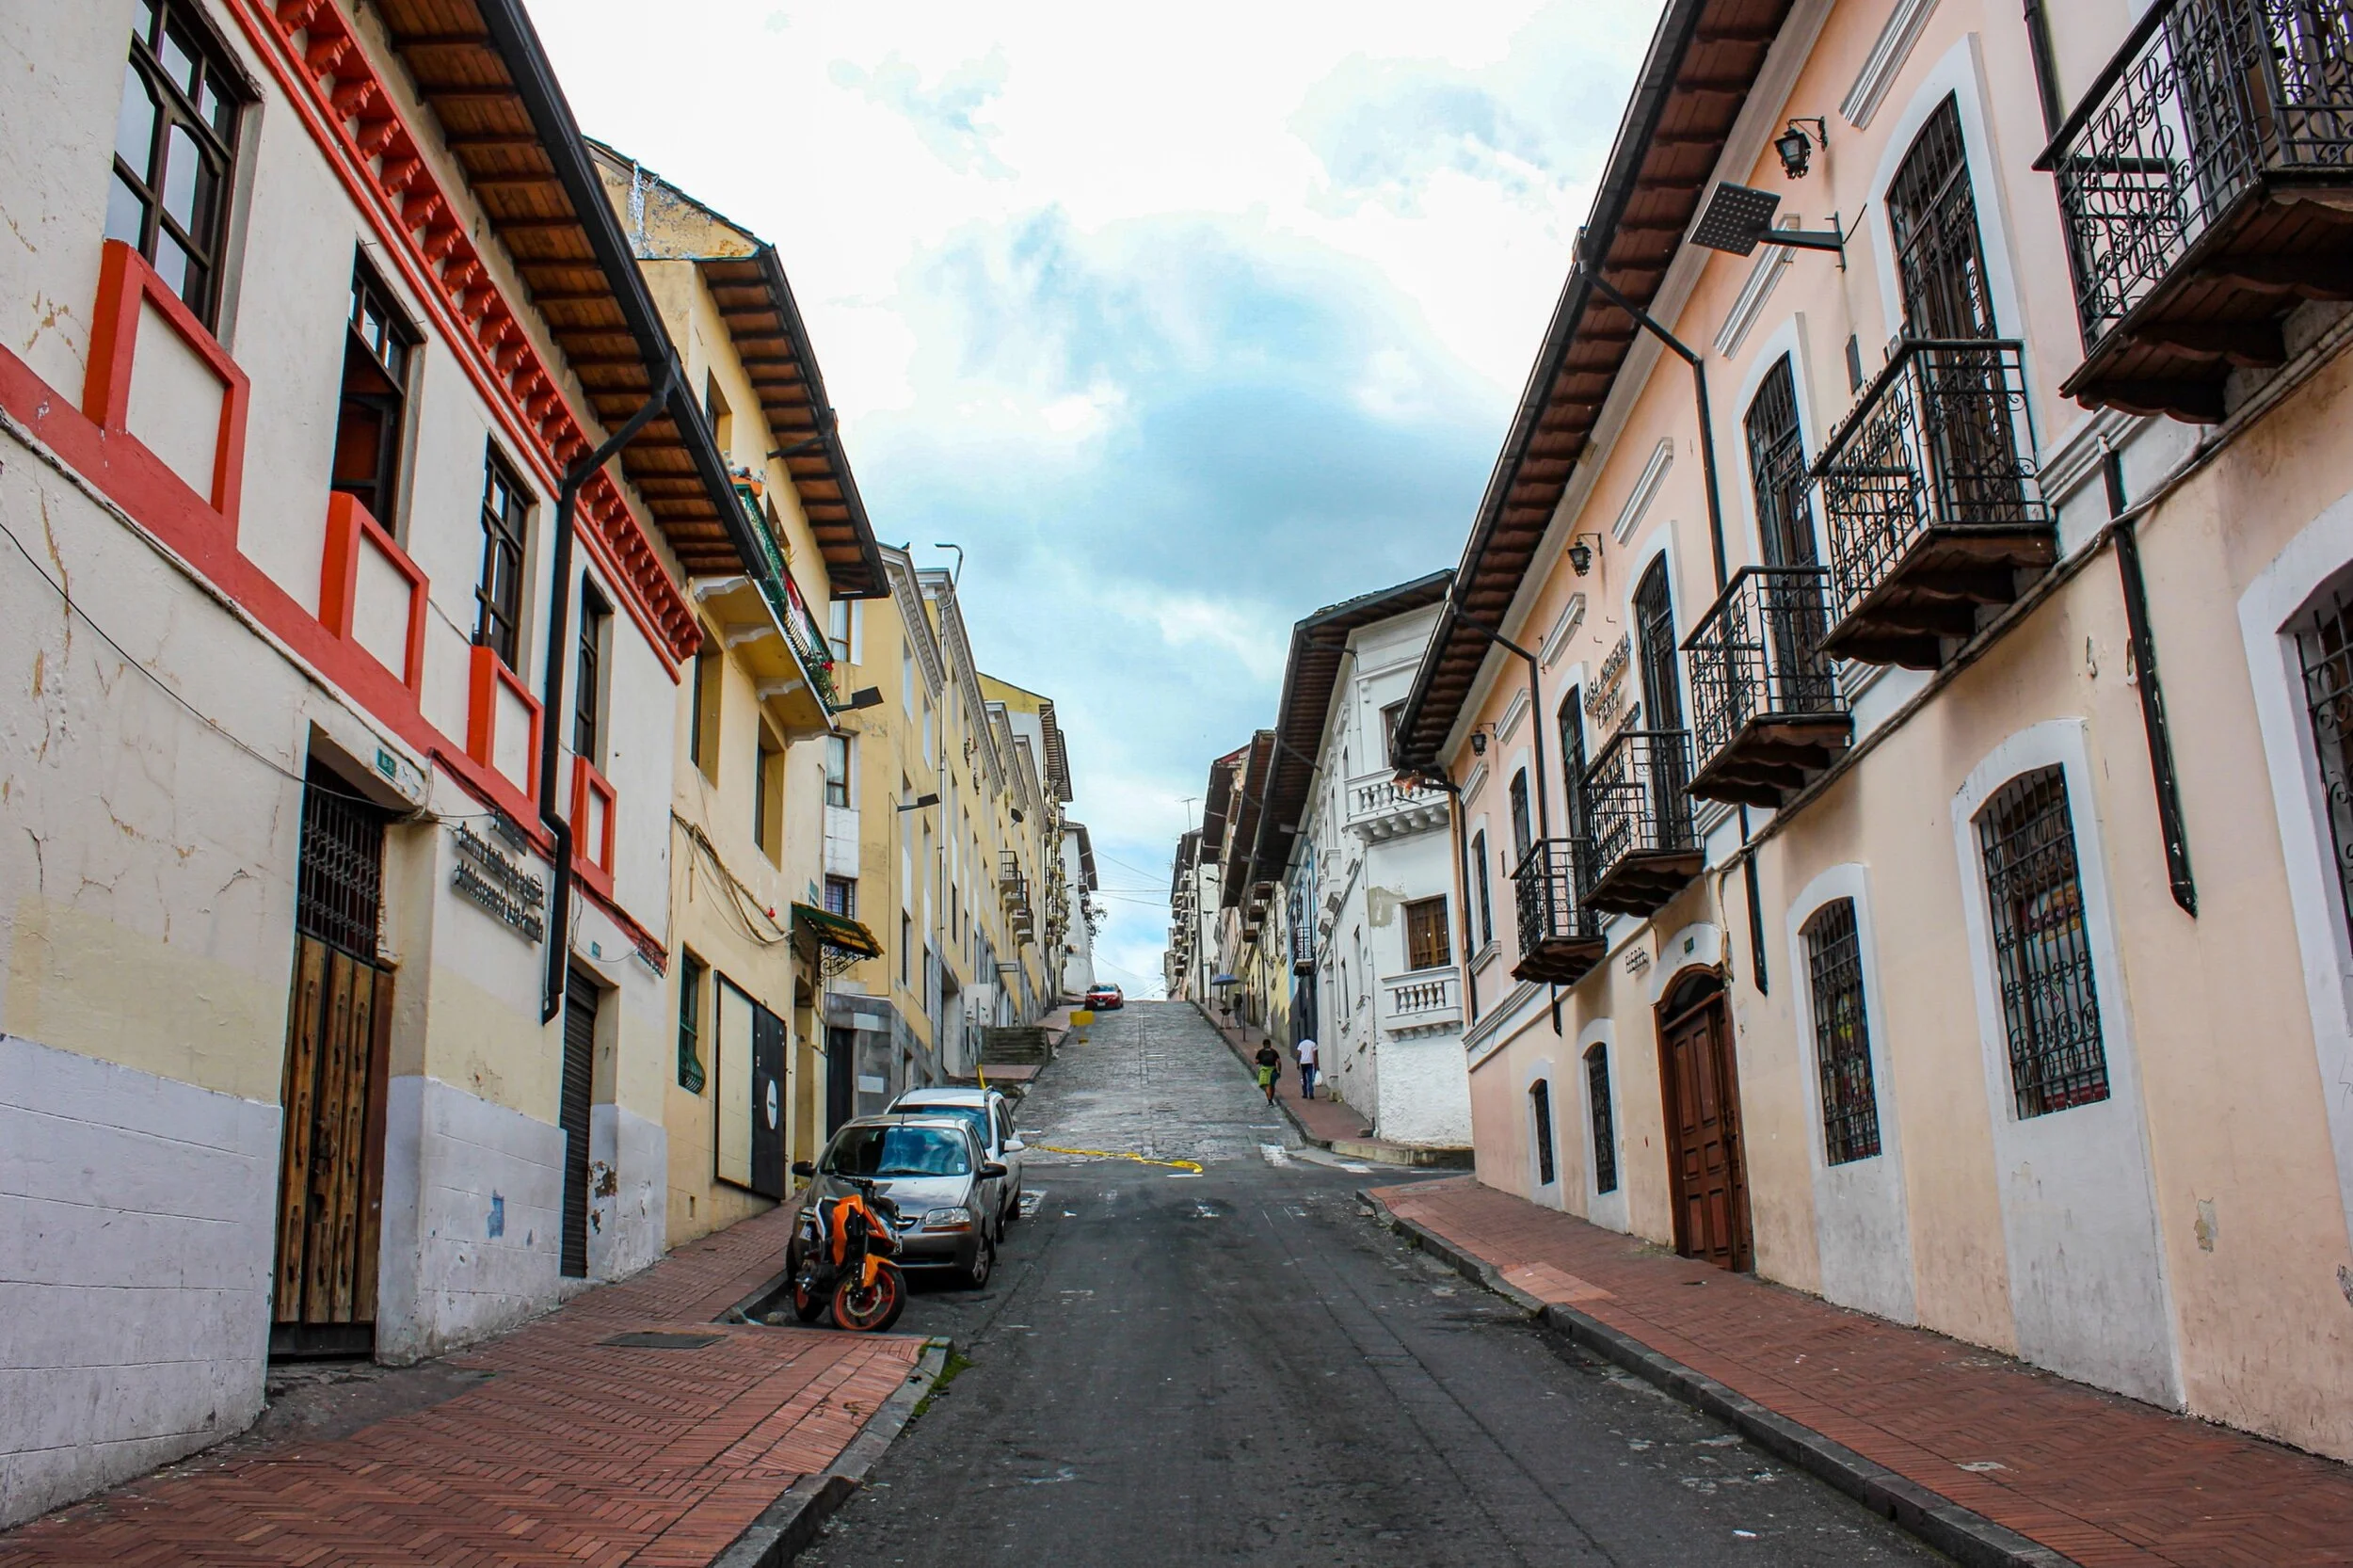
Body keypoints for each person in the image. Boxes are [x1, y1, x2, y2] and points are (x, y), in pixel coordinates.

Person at [1254, 1040, 1281, 1104]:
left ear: (1263, 1045)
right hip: (1273, 1071)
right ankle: (1271, 1097)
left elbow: (1256, 1062)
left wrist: (1260, 1061)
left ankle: (1270, 1101)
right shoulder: (1274, 1051)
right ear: (1270, 1045)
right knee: (1272, 1085)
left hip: (1264, 1071)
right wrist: (1279, 1071)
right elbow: (1279, 1062)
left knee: (1267, 1086)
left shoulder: (1260, 1052)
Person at [1295, 1034, 1320, 1101]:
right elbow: (1315, 1055)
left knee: (1303, 1078)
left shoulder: (1301, 1044)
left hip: (1303, 1063)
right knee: (1310, 1079)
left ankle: (1305, 1093)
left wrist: (1297, 1063)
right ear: (1310, 1038)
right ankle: (1311, 1094)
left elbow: (1298, 1054)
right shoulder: (1313, 1044)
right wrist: (1316, 1064)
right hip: (1310, 1063)